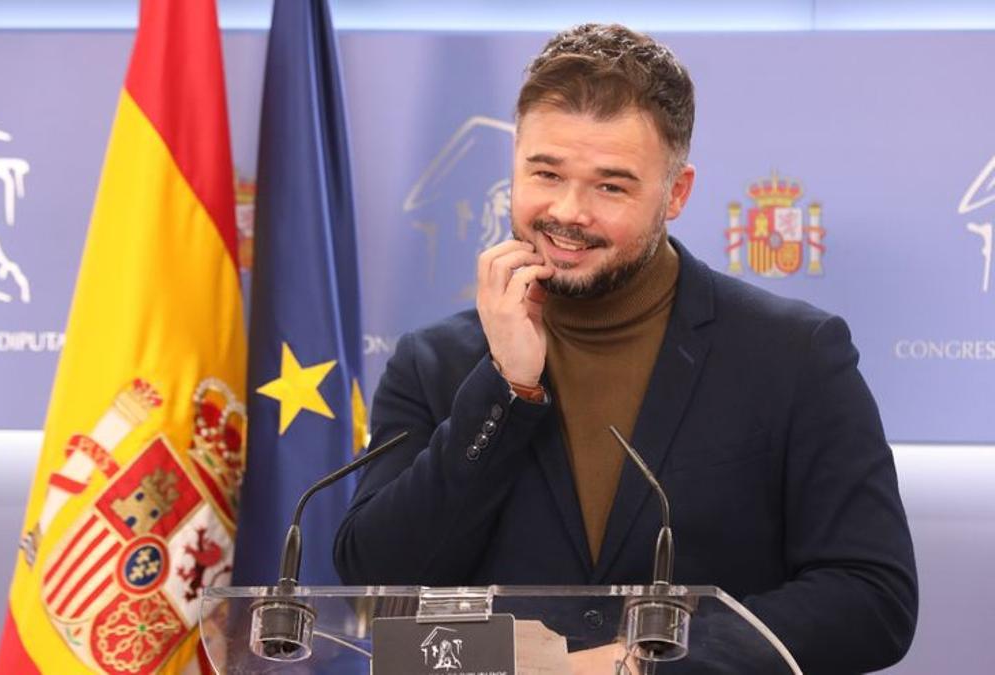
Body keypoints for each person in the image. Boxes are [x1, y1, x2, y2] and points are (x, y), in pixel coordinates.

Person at [334, 23, 917, 674]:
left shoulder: (796, 354)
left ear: (677, 193)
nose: (568, 211)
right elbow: (378, 578)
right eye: (545, 172)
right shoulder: (433, 361)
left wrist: (644, 663)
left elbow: (871, 595)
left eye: (610, 186)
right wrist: (506, 387)